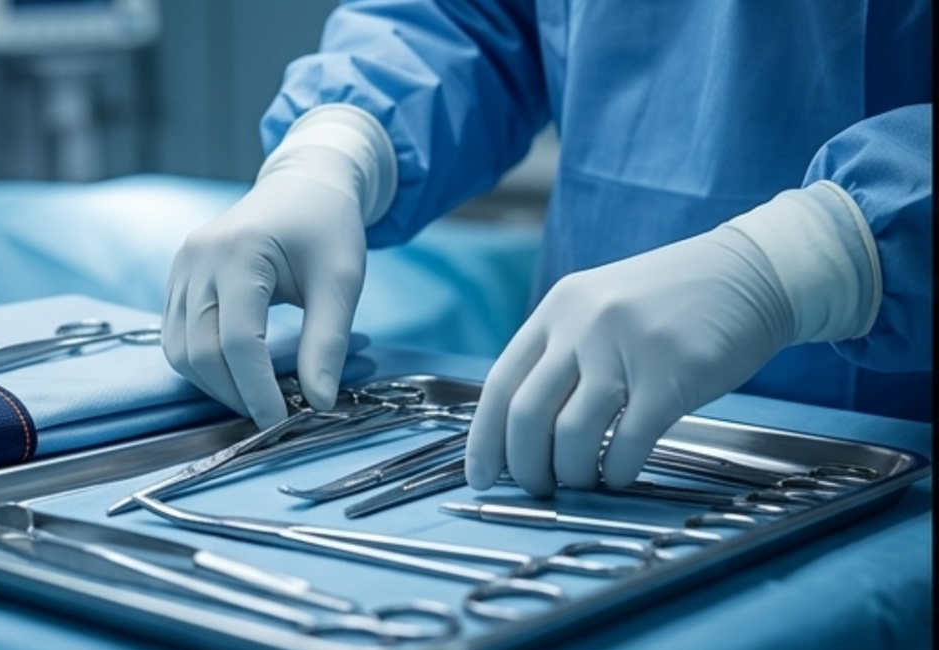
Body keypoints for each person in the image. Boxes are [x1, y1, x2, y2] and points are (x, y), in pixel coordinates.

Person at [162, 1, 932, 497]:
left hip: (899, 449)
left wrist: (824, 257)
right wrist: (336, 145)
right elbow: (472, 17)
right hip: (571, 428)